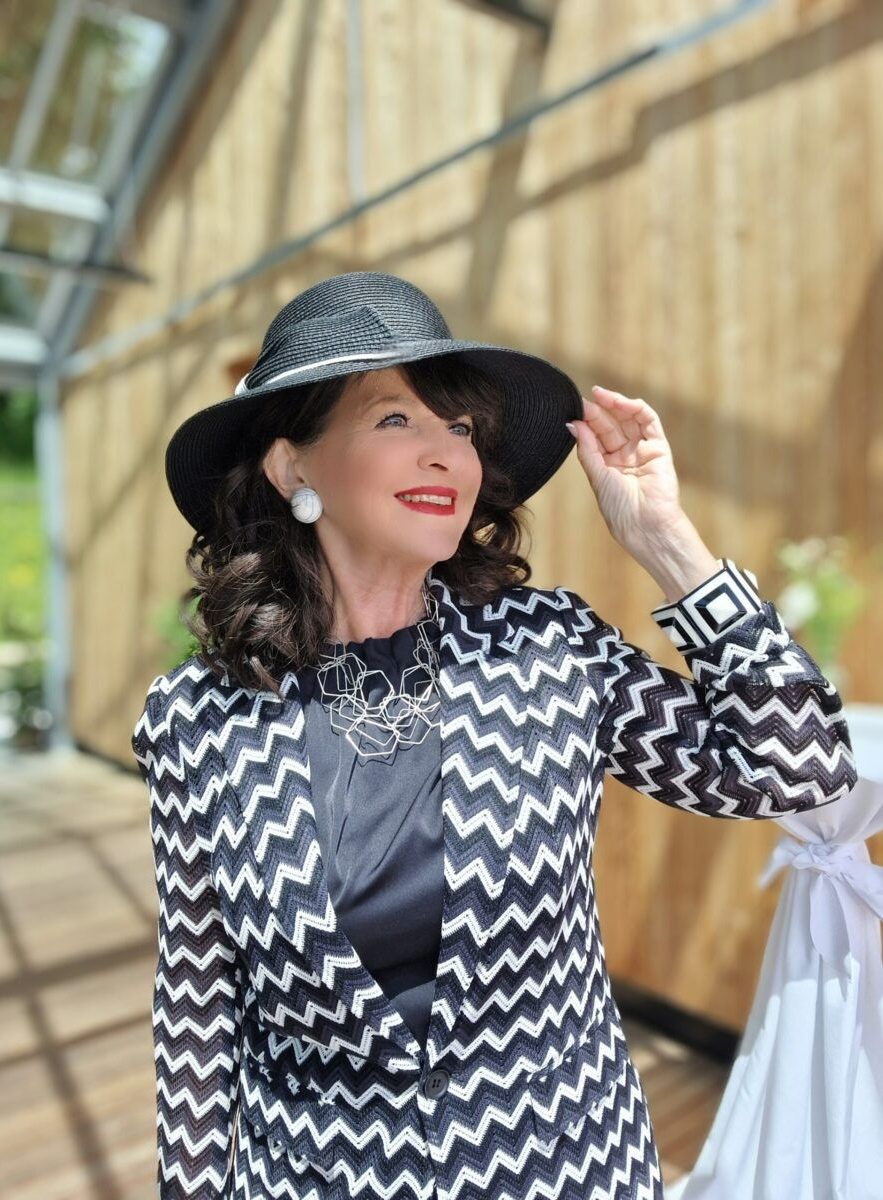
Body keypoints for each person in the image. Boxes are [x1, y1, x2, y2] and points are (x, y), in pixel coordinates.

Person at [131, 270, 857, 1200]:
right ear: (292, 467)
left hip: (563, 1165)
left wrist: (667, 542)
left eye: (462, 429)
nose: (445, 456)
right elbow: (198, 1003)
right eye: (396, 419)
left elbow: (799, 771)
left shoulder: (548, 649)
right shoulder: (196, 718)